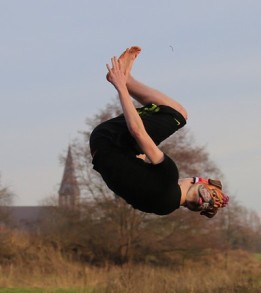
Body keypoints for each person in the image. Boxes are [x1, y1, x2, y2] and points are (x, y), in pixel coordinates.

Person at [89, 46, 229, 218]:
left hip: (109, 138)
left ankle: (125, 79)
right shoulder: (163, 208)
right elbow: (132, 180)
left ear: (196, 181)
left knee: (178, 115)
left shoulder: (169, 175)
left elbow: (137, 131)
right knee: (146, 142)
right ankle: (127, 78)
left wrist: (120, 87)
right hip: (100, 151)